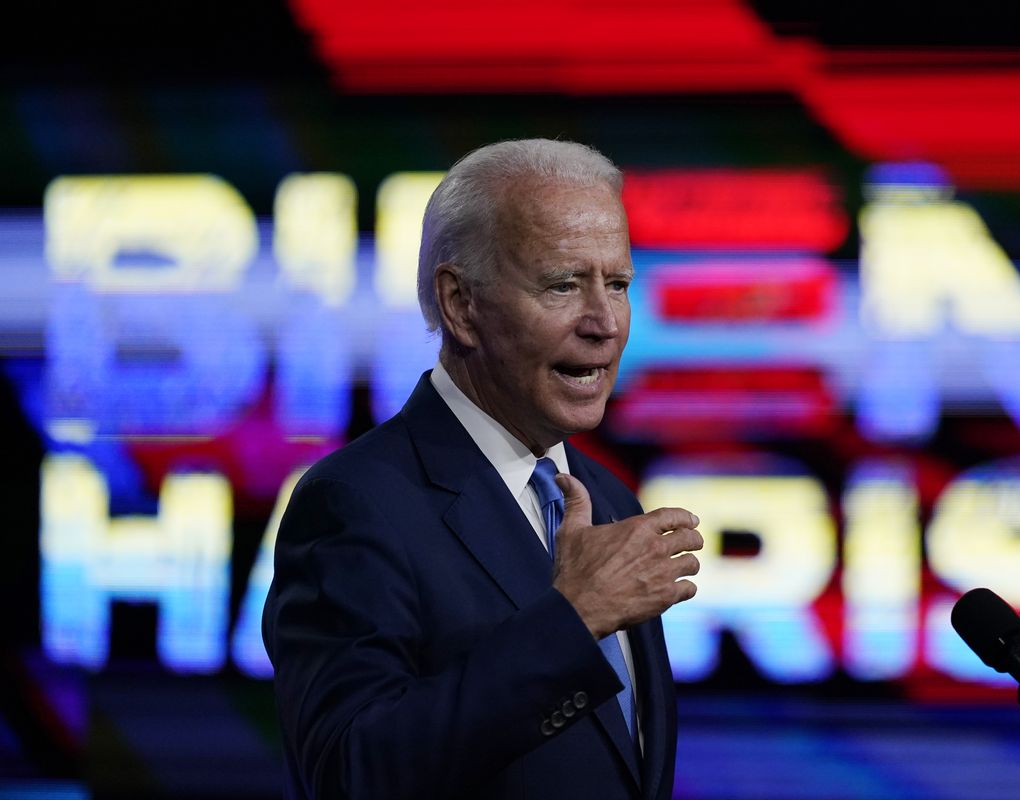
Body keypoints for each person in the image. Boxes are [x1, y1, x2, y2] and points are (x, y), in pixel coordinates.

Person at [263, 139, 704, 799]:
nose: (605, 323)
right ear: (461, 305)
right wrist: (573, 621)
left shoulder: (609, 498)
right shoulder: (355, 503)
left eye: (617, 284)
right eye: (563, 284)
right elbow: (349, 774)